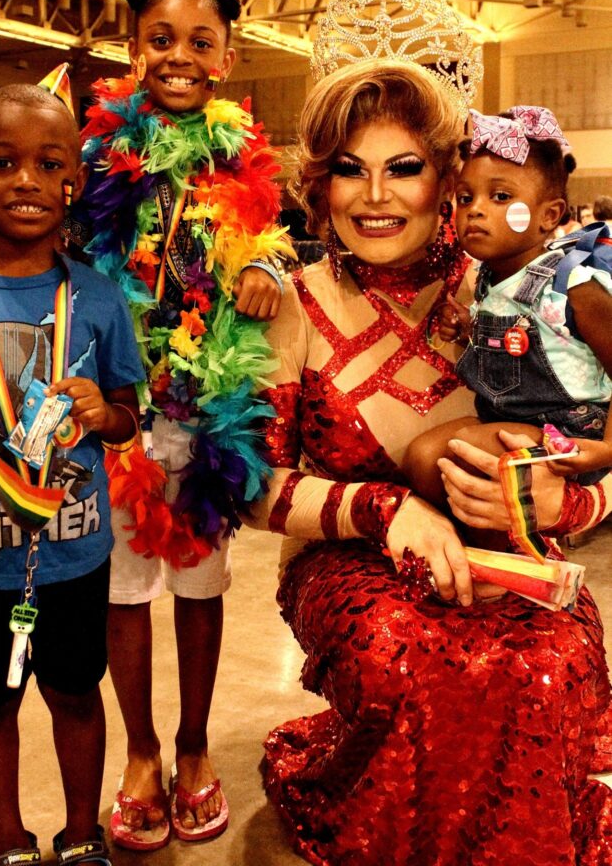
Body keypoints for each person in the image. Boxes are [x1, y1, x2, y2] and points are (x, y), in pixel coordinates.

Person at [243, 57, 612, 865]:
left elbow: (590, 435)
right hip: (343, 563)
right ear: (321, 184)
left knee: (554, 657)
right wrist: (384, 511)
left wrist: (569, 505)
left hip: (503, 554)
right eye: (351, 170)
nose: (375, 197)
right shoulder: (287, 302)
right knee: (409, 661)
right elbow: (248, 489)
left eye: (402, 169)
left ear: (445, 180)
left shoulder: (507, 291)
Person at [75, 0, 289, 849]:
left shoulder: (243, 148)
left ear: (227, 58)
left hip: (208, 410)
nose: (178, 55)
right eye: (160, 38)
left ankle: (195, 750)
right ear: (133, 48)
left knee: (200, 588)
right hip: (117, 405)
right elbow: (69, 247)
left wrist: (270, 266)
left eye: (200, 41)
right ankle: (139, 754)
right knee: (124, 594)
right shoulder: (98, 150)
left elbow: (274, 232)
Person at [0, 79, 145, 866]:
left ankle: (83, 834)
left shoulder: (96, 296)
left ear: (72, 184)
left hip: (73, 553)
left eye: (48, 163)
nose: (26, 180)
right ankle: (11, 843)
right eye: (3, 161)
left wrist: (103, 412)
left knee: (75, 694)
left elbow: (128, 416)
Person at [405, 106, 612, 509]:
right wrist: (469, 328)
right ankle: (493, 549)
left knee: (455, 454)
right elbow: (519, 343)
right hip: (511, 424)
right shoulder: (489, 276)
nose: (476, 209)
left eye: (501, 197)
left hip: (573, 435)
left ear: (549, 216)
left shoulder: (574, 285)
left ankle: (505, 552)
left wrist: (608, 449)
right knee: (422, 458)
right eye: (465, 198)